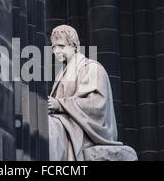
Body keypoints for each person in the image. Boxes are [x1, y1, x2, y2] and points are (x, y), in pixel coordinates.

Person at [48, 25, 123, 161]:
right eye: (54, 47)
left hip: (82, 131)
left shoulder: (91, 68)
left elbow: (96, 104)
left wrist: (59, 104)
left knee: (48, 128)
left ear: (74, 46)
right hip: (65, 125)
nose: (56, 51)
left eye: (61, 46)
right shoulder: (61, 74)